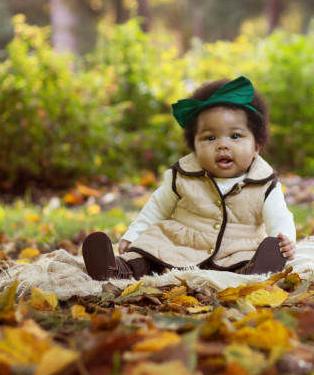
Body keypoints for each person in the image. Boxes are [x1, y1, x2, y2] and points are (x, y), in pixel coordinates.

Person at [82, 76, 297, 280]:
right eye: (210, 138)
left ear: (256, 146)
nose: (222, 144)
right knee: (151, 252)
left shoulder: (264, 183)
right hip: (181, 244)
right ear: (194, 146)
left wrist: (284, 239)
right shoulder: (182, 175)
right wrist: (134, 234)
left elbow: (279, 216)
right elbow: (157, 207)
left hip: (236, 247)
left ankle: (255, 270)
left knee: (247, 258)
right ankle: (117, 269)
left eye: (235, 136)